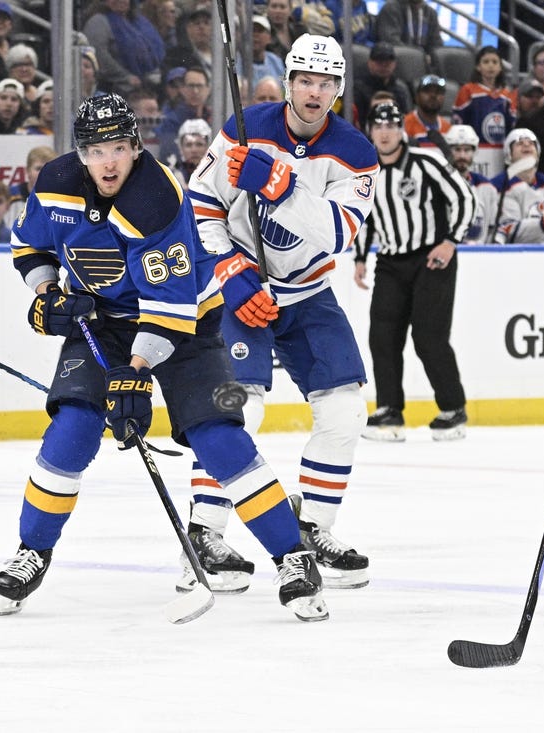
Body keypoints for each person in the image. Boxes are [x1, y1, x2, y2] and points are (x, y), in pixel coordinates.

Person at [0, 93, 328, 620]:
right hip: (100, 324)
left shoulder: (157, 199)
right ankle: (32, 551)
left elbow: (168, 312)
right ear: (81, 153)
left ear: (136, 147)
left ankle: (294, 557)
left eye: (119, 148)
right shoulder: (55, 182)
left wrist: (136, 375)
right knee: (72, 429)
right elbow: (28, 247)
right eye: (97, 149)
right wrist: (47, 294)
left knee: (217, 437)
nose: (109, 161)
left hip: (187, 322)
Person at [184, 34, 378, 592]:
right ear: (289, 82)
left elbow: (339, 233)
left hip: (308, 294)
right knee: (236, 411)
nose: (315, 93)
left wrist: (279, 185)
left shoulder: (355, 153)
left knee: (345, 414)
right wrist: (231, 272)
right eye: (306, 81)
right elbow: (201, 205)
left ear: (339, 90)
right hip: (242, 291)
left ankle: (314, 525)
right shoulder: (244, 127)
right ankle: (205, 531)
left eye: (327, 84)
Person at [355, 102, 475, 441]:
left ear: (401, 130)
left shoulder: (427, 162)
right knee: (382, 336)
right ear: (371, 131)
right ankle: (389, 411)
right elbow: (364, 215)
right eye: (378, 126)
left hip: (431, 258)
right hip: (390, 262)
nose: (385, 132)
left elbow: (465, 197)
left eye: (391, 125)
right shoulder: (365, 171)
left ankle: (453, 409)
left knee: (428, 337)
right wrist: (361, 257)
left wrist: (451, 241)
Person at [492, 127, 544, 244]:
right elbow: (508, 231)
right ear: (508, 155)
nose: (526, 146)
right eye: (519, 143)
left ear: (538, 153)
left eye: (531, 143)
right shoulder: (501, 186)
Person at [82, 0, 166, 97]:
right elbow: (99, 55)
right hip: (114, 88)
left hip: (146, 85)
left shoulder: (139, 22)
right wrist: (126, 77)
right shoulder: (98, 21)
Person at [444, 123, 497, 244]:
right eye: (457, 150)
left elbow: (492, 229)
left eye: (467, 150)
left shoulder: (487, 188)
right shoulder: (437, 186)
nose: (462, 155)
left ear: (474, 152)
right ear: (448, 151)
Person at [451, 45, 515, 145]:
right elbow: (459, 122)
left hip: (500, 150)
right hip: (473, 148)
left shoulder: (506, 94)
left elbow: (511, 125)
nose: (491, 66)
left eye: (495, 62)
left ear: (500, 67)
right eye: (486, 62)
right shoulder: (468, 90)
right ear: (478, 66)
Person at [155, 66, 212, 163]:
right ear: (182, 89)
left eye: (199, 86)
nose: (195, 91)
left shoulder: (215, 118)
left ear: (208, 89)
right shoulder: (169, 121)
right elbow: (168, 155)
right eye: (191, 86)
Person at [352, 42, 412, 126]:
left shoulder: (400, 89)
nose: (384, 65)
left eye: (388, 62)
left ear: (394, 64)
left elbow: (406, 119)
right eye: (379, 61)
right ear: (369, 63)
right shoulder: (357, 89)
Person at [375, 0, 443, 62]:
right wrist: (419, 56)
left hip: (423, 63)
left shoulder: (431, 13)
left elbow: (436, 44)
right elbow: (390, 41)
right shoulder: (391, 8)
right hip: (397, 61)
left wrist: (432, 57)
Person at [6, 145, 57, 227]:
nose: (43, 173)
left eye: (49, 168)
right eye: (38, 168)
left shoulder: (63, 200)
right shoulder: (9, 196)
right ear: (27, 171)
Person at [404, 74, 450, 144]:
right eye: (427, 91)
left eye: (438, 92)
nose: (433, 96)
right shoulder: (405, 125)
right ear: (417, 96)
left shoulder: (448, 129)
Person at [166, 117, 211, 189]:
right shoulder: (169, 176)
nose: (194, 150)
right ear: (181, 148)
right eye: (188, 145)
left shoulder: (216, 176)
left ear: (208, 147)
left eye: (199, 144)